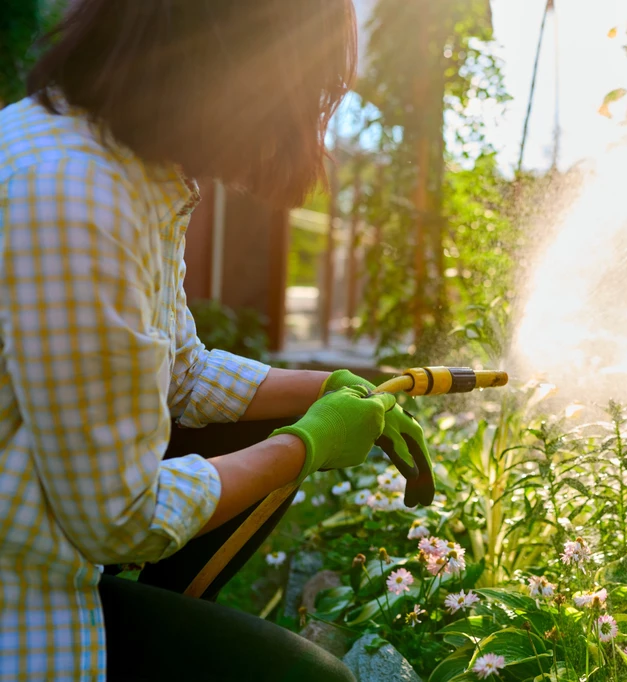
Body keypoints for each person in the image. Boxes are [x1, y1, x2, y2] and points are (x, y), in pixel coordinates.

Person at [0, 1, 432, 680]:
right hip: (23, 605)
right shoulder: (74, 196)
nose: (305, 126)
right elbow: (121, 517)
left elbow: (184, 371)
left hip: (45, 551)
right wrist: (306, 445)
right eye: (307, 97)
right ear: (237, 71)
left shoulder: (130, 173)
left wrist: (327, 389)